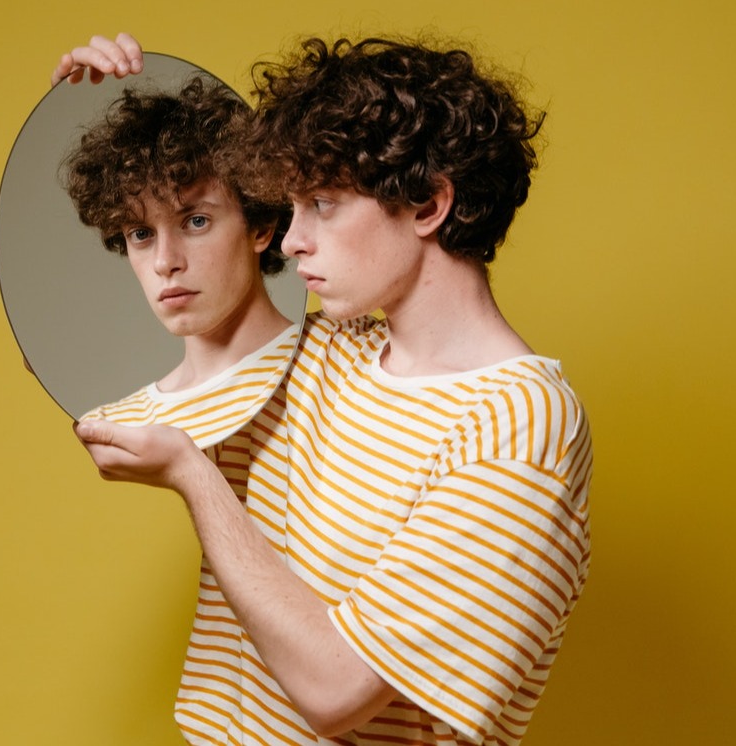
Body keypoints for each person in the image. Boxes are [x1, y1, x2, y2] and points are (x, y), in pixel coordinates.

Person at [64, 33, 592, 745]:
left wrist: (193, 475)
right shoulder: (330, 353)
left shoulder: (517, 423)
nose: (289, 240)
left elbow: (338, 690)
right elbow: (204, 276)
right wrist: (127, 96)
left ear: (429, 204)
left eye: (322, 204)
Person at [57, 60, 299, 442]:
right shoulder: (121, 426)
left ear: (261, 226)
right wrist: (64, 96)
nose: (165, 262)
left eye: (196, 221)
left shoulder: (348, 358)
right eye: (141, 233)